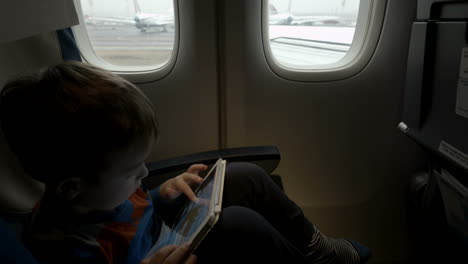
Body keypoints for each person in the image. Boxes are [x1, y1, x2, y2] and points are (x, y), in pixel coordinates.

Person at [0, 61, 371, 264]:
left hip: (167, 230)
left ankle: (319, 251)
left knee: (245, 176)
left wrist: (163, 193)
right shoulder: (66, 247)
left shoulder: (101, 193)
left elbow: (140, 212)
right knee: (235, 226)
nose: (144, 173)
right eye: (133, 171)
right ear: (71, 187)